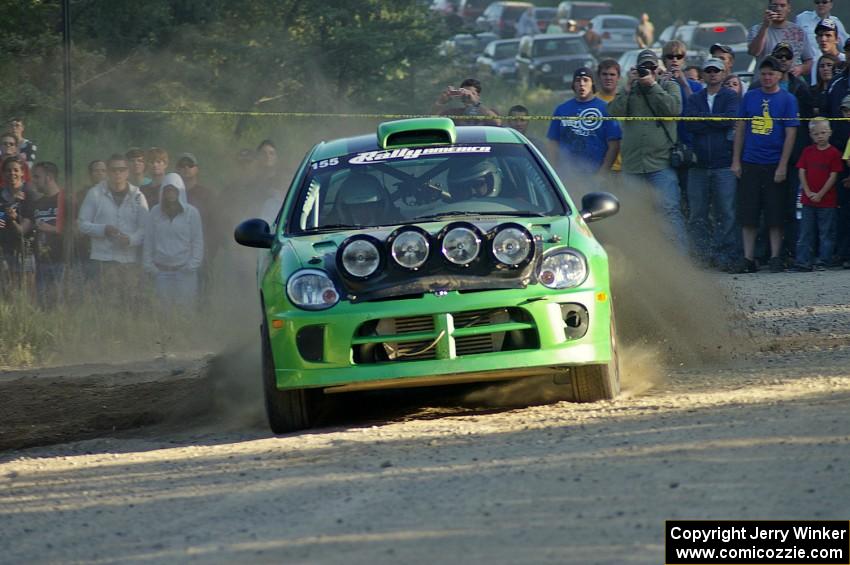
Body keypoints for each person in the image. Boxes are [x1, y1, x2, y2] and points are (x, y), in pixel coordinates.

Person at [608, 49, 687, 250]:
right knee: (634, 215)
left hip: (661, 163)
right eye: (644, 67)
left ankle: (679, 261)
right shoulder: (630, 90)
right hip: (633, 165)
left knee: (669, 211)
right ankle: (643, 261)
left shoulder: (668, 85)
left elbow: (673, 110)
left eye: (651, 67)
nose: (647, 71)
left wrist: (652, 85)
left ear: (657, 68)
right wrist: (627, 86)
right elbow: (613, 111)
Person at [731, 56, 800, 273]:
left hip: (774, 164)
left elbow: (791, 134)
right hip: (750, 162)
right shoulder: (750, 97)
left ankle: (775, 256)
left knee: (775, 214)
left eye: (771, 74)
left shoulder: (788, 100)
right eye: (764, 74)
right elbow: (740, 129)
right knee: (748, 214)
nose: (767, 78)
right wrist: (736, 160)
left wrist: (782, 165)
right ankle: (748, 258)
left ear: (779, 75)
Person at [683, 58, 741, 271]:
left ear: (723, 73)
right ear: (704, 75)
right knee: (697, 213)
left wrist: (704, 119)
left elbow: (730, 119)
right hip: (698, 165)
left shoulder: (730, 96)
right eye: (708, 70)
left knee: (726, 212)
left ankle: (725, 256)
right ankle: (702, 256)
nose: (712, 73)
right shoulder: (696, 97)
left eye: (716, 70)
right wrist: (715, 120)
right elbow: (690, 123)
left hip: (723, 164)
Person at [77, 154, 149, 284]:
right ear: (108, 172)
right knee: (102, 302)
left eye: (121, 169)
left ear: (128, 171)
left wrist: (131, 240)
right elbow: (82, 224)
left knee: (128, 302)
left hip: (129, 260)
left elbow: (145, 228)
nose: (118, 173)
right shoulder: (95, 193)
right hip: (101, 259)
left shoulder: (138, 196)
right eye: (113, 169)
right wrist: (103, 229)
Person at [143, 173, 204, 307]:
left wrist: (192, 266)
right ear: (163, 192)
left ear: (180, 191)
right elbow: (148, 240)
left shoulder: (191, 213)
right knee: (162, 313)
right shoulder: (155, 212)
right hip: (161, 272)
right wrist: (150, 266)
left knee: (185, 313)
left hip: (184, 272)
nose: (170, 194)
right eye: (167, 190)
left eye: (174, 190)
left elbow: (197, 242)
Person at [789, 118, 843, 270]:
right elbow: (801, 171)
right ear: (811, 135)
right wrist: (807, 191)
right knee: (805, 232)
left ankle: (824, 261)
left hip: (827, 201)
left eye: (823, 132)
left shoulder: (834, 153)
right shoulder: (807, 151)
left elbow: (833, 176)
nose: (820, 136)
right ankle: (803, 261)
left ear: (830, 132)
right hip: (808, 200)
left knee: (826, 233)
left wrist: (820, 193)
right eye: (816, 133)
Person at [546, 68, 621, 176]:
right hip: (567, 173)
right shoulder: (561, 110)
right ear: (573, 84)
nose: (582, 84)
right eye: (578, 80)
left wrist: (602, 174)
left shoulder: (606, 109)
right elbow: (552, 143)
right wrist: (554, 170)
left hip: (595, 172)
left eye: (586, 80)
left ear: (592, 84)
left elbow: (614, 145)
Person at [28, 162, 67, 307]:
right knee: (43, 305)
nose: (34, 180)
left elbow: (75, 228)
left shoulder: (66, 199)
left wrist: (49, 228)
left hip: (62, 261)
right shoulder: (37, 203)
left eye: (37, 177)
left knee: (60, 304)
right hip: (41, 261)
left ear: (49, 177)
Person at [748, 0, 814, 78]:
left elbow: (809, 61)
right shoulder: (756, 29)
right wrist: (765, 26)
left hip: (790, 84)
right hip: (764, 82)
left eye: (782, 6)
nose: (778, 9)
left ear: (789, 8)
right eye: (775, 5)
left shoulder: (798, 31)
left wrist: (801, 68)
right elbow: (754, 52)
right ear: (769, 8)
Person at [0, 156, 33, 289]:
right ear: (3, 174)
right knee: (8, 289)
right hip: (4, 248)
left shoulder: (30, 193)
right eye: (8, 170)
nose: (12, 173)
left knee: (27, 289)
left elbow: (31, 219)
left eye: (15, 170)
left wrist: (15, 216)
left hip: (25, 249)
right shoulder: (1, 194)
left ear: (22, 172)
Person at [796, 0, 847, 70]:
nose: (820, 4)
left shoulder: (836, 23)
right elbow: (794, 43)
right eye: (817, 2)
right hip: (807, 67)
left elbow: (845, 46)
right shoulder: (802, 18)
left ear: (831, 4)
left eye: (824, 2)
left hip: (828, 67)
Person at [432, 78, 500, 126]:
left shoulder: (487, 112)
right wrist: (440, 102)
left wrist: (475, 103)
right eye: (465, 93)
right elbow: (433, 121)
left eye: (472, 94)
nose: (468, 96)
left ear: (478, 96)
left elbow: (497, 122)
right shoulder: (454, 113)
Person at [596, 60, 623, 173]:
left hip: (625, 167)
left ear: (619, 78)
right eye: (604, 74)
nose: (608, 78)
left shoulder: (625, 100)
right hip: (598, 166)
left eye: (612, 74)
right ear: (598, 77)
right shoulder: (592, 102)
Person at [810, 17, 845, 84]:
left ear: (837, 39)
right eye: (820, 35)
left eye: (828, 35)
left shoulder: (845, 60)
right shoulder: (817, 63)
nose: (823, 39)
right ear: (816, 39)